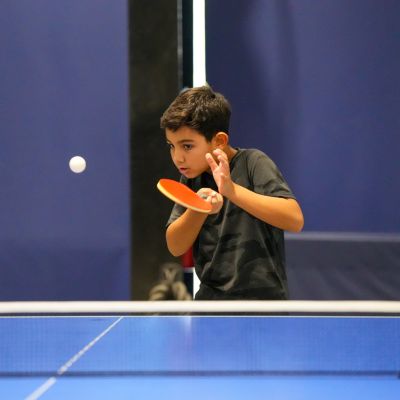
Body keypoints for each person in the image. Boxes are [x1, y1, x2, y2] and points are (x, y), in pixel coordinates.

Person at [160, 86, 304, 300]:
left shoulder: (253, 163)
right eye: (171, 146)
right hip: (211, 304)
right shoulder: (191, 179)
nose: (178, 157)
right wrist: (200, 209)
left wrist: (232, 191)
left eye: (187, 146)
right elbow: (175, 246)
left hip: (264, 304)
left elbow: (294, 220)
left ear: (219, 141)